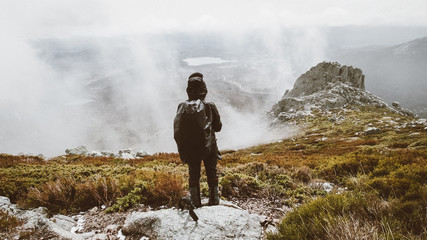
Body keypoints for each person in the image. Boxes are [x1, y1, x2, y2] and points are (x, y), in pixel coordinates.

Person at [174, 72, 222, 207]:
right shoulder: (210, 106)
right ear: (204, 90)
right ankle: (214, 201)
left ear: (188, 90)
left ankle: (195, 202)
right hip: (210, 146)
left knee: (194, 175)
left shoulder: (181, 107)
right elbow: (218, 128)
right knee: (211, 171)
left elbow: (179, 129)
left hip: (191, 148)